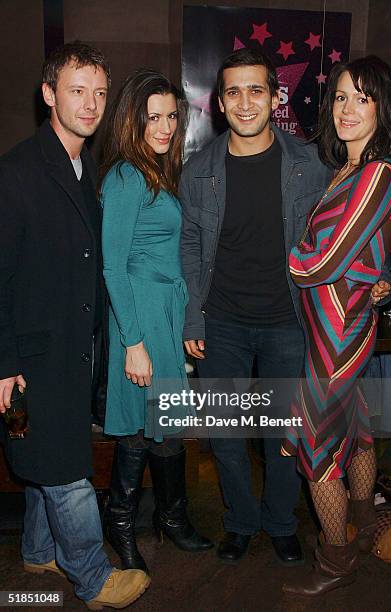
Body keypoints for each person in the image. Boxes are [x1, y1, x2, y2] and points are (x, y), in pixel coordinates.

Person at [179, 47, 390, 566]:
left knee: (281, 437)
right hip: (220, 324)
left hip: (290, 324)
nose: (245, 102)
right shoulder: (197, 168)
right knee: (227, 438)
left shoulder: (313, 163)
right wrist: (191, 317)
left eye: (257, 89)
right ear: (220, 103)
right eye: (234, 91)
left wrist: (383, 276)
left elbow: (363, 225)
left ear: (276, 96)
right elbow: (188, 246)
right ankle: (241, 523)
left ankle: (278, 523)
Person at [0, 42, 150, 609]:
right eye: (76, 91)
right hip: (32, 358)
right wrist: (4, 364)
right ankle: (92, 577)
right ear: (48, 96)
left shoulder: (86, 166)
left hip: (73, 349)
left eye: (99, 93)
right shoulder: (16, 172)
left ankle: (39, 550)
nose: (90, 105)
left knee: (49, 456)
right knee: (66, 471)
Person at [281, 55, 391, 596]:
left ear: (383, 108)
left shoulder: (378, 173)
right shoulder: (348, 172)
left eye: (364, 98)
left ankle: (336, 559)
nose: (349, 108)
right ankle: (362, 522)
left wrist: (290, 259)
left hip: (339, 333)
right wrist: (383, 277)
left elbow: (322, 262)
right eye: (343, 97)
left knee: (317, 444)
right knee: (355, 429)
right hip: (334, 326)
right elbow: (381, 248)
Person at [99, 69, 213, 573]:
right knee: (138, 431)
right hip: (139, 313)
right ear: (133, 119)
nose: (164, 126)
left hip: (164, 312)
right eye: (153, 117)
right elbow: (111, 266)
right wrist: (134, 342)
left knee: (167, 425)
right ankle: (120, 523)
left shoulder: (157, 172)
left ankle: (172, 518)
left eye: (171, 116)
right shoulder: (125, 176)